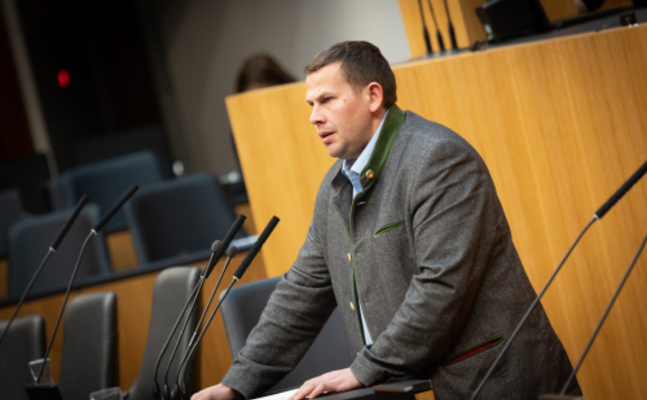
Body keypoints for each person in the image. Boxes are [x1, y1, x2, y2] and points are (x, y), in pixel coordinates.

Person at [192, 41, 579, 400]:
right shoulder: (335, 186)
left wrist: (364, 369)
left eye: (327, 100)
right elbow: (302, 293)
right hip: (405, 388)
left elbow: (441, 287)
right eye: (310, 104)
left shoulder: (438, 160)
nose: (313, 117)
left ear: (372, 96)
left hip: (494, 382)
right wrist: (235, 384)